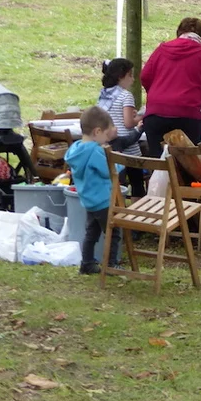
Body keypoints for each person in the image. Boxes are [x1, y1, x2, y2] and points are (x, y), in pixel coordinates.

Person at [141, 17, 201, 156]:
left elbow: (144, 76)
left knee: (158, 161)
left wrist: (156, 95)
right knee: (188, 164)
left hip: (156, 115)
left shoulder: (161, 49)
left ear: (179, 33)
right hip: (187, 116)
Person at [65, 107, 122, 275]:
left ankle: (87, 263)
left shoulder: (76, 149)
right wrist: (119, 162)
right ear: (97, 132)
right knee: (113, 232)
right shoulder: (95, 151)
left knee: (91, 233)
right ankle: (111, 264)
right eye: (106, 134)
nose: (107, 139)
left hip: (88, 200)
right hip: (103, 200)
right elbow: (109, 171)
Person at [97, 58, 146, 200]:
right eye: (130, 75)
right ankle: (137, 209)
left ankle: (117, 205)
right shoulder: (126, 95)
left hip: (110, 145)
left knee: (117, 182)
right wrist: (141, 117)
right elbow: (129, 123)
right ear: (120, 76)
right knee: (137, 183)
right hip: (129, 149)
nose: (133, 79)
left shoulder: (104, 94)